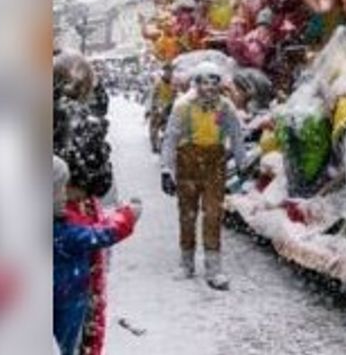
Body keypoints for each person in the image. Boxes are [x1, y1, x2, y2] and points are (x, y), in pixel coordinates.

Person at [160, 62, 246, 290]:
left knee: (213, 214)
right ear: (196, 82)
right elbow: (170, 138)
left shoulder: (225, 107)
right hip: (188, 162)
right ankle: (186, 263)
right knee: (187, 213)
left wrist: (242, 162)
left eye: (214, 83)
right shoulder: (182, 106)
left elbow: (236, 134)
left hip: (214, 164)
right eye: (205, 82)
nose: (209, 88)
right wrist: (166, 170)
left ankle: (213, 268)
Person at [53, 157, 140, 355]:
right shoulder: (59, 233)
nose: (65, 195)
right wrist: (127, 217)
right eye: (60, 190)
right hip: (67, 299)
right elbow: (98, 235)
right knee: (64, 345)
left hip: (66, 297)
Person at [146, 64, 176, 153]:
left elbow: (175, 96)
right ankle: (154, 145)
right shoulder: (158, 83)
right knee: (154, 127)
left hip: (169, 108)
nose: (169, 74)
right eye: (167, 72)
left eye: (170, 72)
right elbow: (152, 96)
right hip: (158, 109)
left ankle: (165, 145)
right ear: (164, 72)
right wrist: (153, 107)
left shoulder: (173, 84)